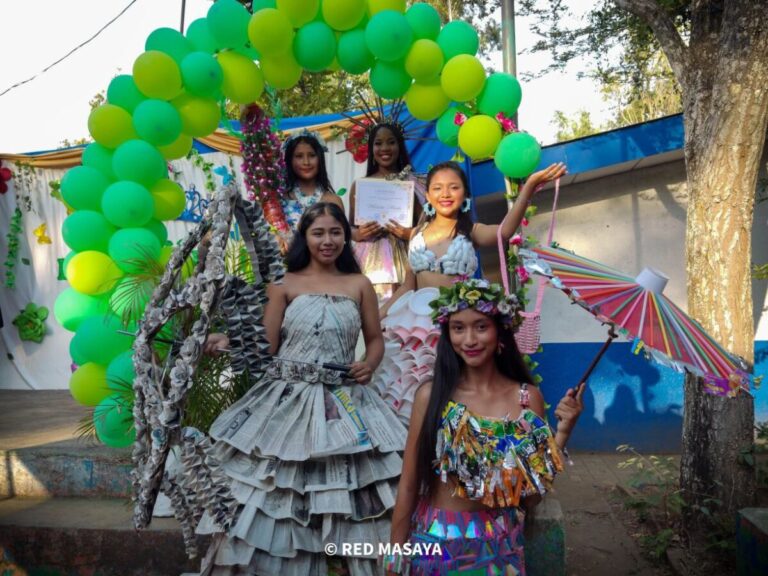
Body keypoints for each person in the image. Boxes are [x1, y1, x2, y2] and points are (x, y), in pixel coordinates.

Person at [197, 202, 407, 575]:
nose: (328, 241)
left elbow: (375, 340)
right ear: (304, 237)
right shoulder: (284, 282)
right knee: (275, 495)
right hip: (286, 401)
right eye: (318, 233)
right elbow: (266, 344)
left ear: (346, 236)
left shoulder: (360, 285)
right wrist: (225, 340)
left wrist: (369, 365)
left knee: (353, 500)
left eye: (335, 232)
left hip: (345, 400)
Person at [384, 278, 584, 575]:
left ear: (500, 331)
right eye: (458, 328)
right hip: (438, 542)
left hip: (501, 546)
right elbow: (410, 482)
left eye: (481, 326)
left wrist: (563, 432)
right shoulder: (432, 395)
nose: (469, 340)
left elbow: (530, 499)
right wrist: (394, 558)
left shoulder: (527, 399)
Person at [372, 160, 567, 423]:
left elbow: (505, 231)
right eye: (438, 188)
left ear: (465, 194)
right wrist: (376, 318)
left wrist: (529, 187)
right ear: (427, 194)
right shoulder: (417, 233)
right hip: (416, 326)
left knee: (457, 395)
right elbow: (408, 285)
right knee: (416, 397)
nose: (445, 194)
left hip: (458, 327)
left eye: (454, 187)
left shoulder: (470, 231)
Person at [348, 123, 424, 301]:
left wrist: (409, 233)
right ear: (371, 148)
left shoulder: (417, 183)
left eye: (391, 142)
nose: (385, 148)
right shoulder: (360, 185)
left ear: (399, 145)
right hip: (370, 264)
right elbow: (348, 228)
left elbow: (428, 229)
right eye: (378, 143)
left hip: (410, 261)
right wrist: (358, 233)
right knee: (376, 315)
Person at [281, 131, 343, 232]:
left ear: (320, 158)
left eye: (312, 155)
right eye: (299, 156)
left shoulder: (333, 201)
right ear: (289, 160)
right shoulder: (279, 200)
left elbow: (340, 240)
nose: (306, 162)